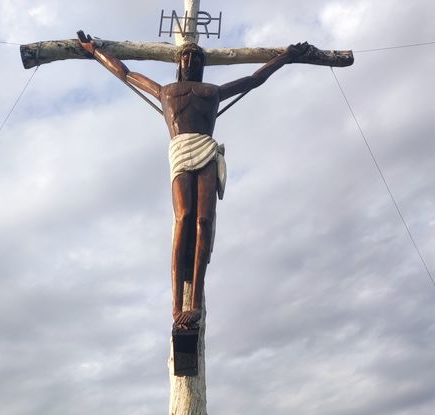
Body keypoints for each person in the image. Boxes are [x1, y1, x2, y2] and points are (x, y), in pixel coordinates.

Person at [77, 31, 315, 330]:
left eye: (196, 57)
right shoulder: (165, 90)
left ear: (202, 64)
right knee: (183, 217)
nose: (189, 59)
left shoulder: (212, 91)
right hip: (179, 150)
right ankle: (176, 305)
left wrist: (285, 57)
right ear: (178, 63)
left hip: (205, 149)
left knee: (203, 220)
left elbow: (254, 80)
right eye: (185, 56)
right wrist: (96, 51)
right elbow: (126, 73)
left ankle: (196, 304)